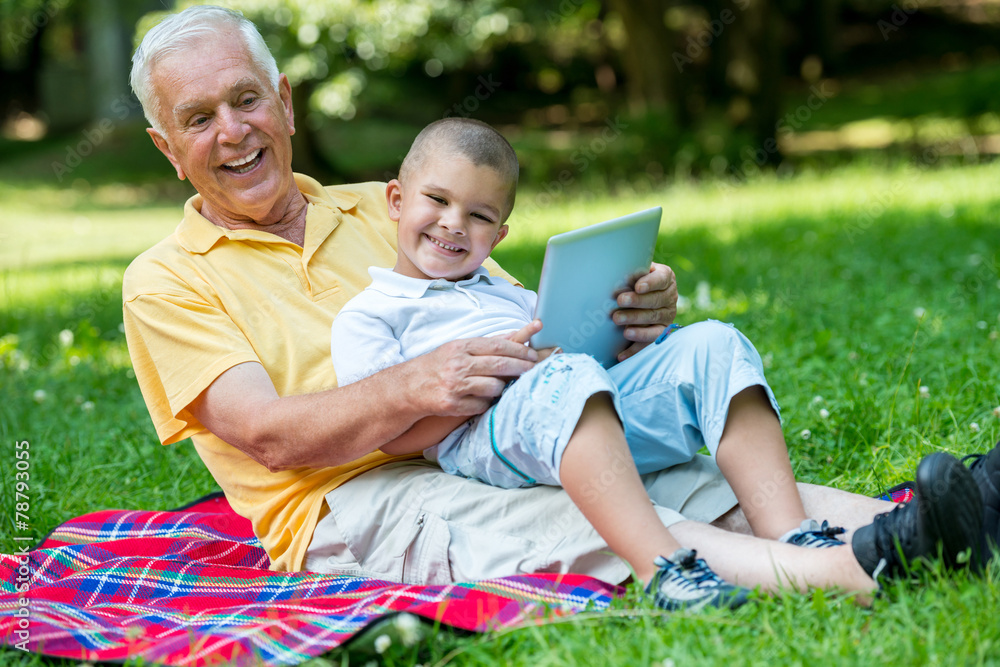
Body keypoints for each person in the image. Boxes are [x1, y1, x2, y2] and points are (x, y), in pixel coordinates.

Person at [122, 4, 997, 609]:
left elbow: (518, 317)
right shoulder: (166, 280)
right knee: (621, 515)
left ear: (283, 103)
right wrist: (420, 385)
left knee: (695, 480)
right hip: (358, 496)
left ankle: (960, 514)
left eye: (246, 100)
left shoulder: (393, 204)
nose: (232, 132)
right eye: (199, 119)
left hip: (521, 424)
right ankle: (868, 568)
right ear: (167, 149)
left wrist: (620, 316)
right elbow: (270, 435)